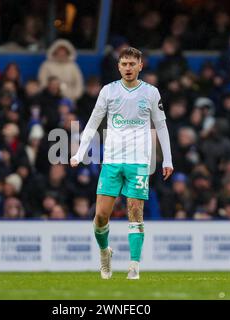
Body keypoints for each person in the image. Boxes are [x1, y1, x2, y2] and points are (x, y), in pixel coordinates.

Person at [70, 47, 173, 280]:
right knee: (101, 217)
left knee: (135, 213)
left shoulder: (151, 93)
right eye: (124, 64)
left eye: (132, 64)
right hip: (112, 162)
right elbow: (93, 122)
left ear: (140, 66)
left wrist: (167, 158)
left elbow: (162, 126)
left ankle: (134, 266)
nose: (128, 68)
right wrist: (79, 153)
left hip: (138, 162)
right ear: (118, 67)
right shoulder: (108, 91)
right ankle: (105, 253)